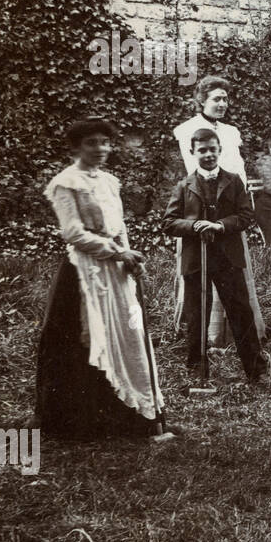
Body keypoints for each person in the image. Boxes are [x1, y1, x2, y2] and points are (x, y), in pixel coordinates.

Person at [37, 118, 169, 438]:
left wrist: (129, 254)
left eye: (105, 143)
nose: (100, 149)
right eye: (91, 143)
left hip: (116, 269)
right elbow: (73, 233)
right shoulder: (65, 182)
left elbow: (119, 225)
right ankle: (78, 421)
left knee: (124, 336)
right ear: (76, 147)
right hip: (83, 271)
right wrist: (114, 252)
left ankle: (128, 415)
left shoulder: (110, 182)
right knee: (86, 337)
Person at [164, 128, 271, 385]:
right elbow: (169, 222)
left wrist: (220, 225)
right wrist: (194, 226)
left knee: (240, 312)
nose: (208, 154)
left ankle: (255, 371)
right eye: (202, 150)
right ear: (192, 153)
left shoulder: (233, 181)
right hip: (195, 261)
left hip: (227, 259)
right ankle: (197, 372)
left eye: (213, 149)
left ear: (220, 150)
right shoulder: (184, 185)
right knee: (196, 315)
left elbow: (246, 216)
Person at [172, 76, 265, 344]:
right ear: (201, 100)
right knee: (199, 273)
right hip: (202, 206)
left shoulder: (231, 132)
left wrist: (241, 203)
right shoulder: (188, 129)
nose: (222, 103)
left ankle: (237, 332)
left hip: (232, 207)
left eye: (225, 98)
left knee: (232, 269)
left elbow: (240, 170)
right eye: (216, 99)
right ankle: (206, 336)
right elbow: (195, 172)